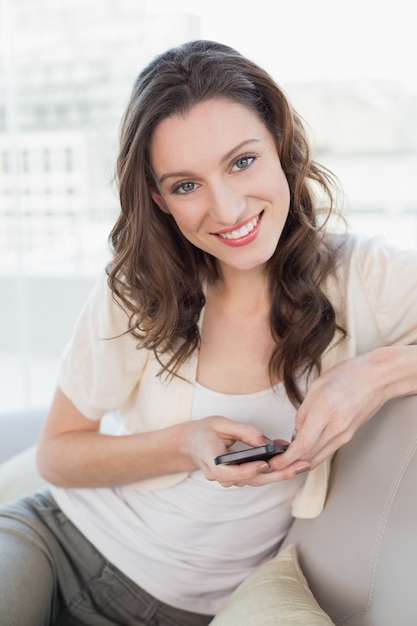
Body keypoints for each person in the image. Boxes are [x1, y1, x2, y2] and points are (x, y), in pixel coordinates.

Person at [1, 39, 417, 626]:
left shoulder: (363, 277)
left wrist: (377, 372)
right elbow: (57, 454)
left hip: (196, 611)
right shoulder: (136, 290)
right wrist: (186, 444)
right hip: (57, 544)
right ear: (158, 199)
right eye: (185, 185)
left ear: (281, 145)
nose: (225, 209)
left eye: (242, 161)